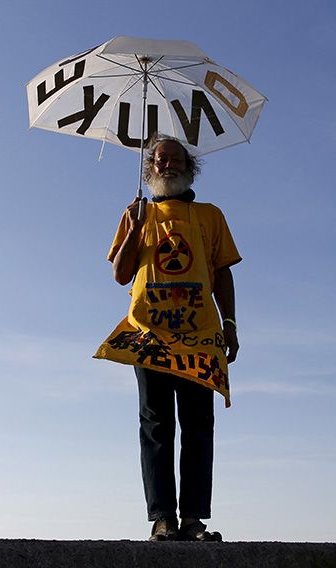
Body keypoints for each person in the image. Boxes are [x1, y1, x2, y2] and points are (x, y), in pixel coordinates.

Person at [93, 135, 241, 542]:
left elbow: (223, 271)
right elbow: (120, 275)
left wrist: (230, 322)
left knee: (198, 426)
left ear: (190, 168)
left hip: (199, 337)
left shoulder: (211, 216)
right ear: (149, 168)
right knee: (157, 425)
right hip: (150, 335)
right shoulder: (135, 214)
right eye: (160, 160)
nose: (167, 165)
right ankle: (162, 519)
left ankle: (193, 519)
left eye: (176, 159)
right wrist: (133, 229)